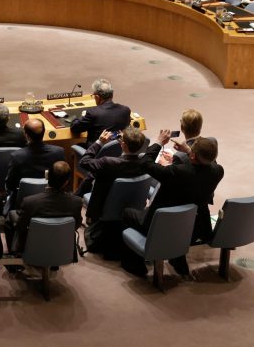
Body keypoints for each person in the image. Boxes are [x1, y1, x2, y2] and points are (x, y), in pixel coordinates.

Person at [121, 133, 223, 278]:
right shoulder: (218, 171)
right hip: (193, 227)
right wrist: (188, 151)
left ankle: (134, 264)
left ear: (193, 156)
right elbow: (209, 164)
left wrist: (158, 143)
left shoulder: (177, 172)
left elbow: (145, 163)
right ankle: (177, 258)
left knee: (127, 213)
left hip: (160, 226)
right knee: (178, 215)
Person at [79, 127, 149, 257]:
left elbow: (83, 162)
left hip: (104, 208)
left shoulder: (108, 162)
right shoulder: (146, 163)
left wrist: (99, 142)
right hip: (132, 206)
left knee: (91, 179)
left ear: (123, 144)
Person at [11, 161, 82, 255]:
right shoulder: (77, 202)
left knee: (11, 216)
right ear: (66, 182)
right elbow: (76, 225)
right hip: (62, 249)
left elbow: (20, 227)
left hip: (34, 250)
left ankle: (15, 253)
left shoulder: (30, 202)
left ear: (47, 176)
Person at [4, 118, 65, 203]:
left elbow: (10, 185)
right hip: (51, 199)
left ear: (26, 135)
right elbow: (62, 180)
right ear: (44, 132)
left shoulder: (17, 156)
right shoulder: (59, 152)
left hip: (24, 201)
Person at [70, 78, 131, 146]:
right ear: (112, 95)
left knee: (78, 145)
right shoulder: (125, 110)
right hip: (119, 150)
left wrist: (82, 116)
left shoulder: (93, 113)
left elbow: (75, 129)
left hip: (96, 151)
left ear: (97, 97)